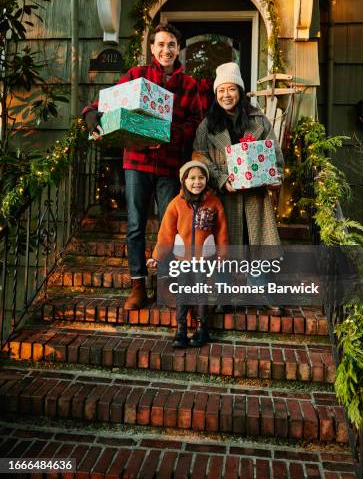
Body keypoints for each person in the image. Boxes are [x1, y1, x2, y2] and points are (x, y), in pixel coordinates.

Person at [83, 23, 202, 310]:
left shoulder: (190, 85)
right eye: (160, 44)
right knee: (135, 224)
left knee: (170, 227)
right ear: (152, 48)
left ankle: (165, 283)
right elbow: (104, 103)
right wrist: (91, 115)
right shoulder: (136, 76)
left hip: (171, 165)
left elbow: (195, 124)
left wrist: (167, 135)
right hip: (136, 162)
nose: (166, 50)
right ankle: (138, 284)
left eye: (171, 44)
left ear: (178, 49)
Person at [193, 61, 284, 249]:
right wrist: (221, 179)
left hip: (255, 200)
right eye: (221, 90)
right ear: (216, 94)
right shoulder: (207, 125)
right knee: (224, 258)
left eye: (231, 89)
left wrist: (276, 176)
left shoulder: (258, 120)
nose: (226, 95)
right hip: (223, 198)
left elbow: (274, 154)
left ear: (240, 92)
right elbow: (199, 156)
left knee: (258, 260)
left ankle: (257, 279)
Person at [148, 161, 228, 347]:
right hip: (182, 258)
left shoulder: (214, 203)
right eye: (192, 178)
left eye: (201, 177)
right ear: (184, 180)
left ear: (206, 180)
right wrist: (156, 257)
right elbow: (166, 234)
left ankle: (202, 330)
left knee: (201, 292)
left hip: (204, 258)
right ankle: (181, 330)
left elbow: (222, 232)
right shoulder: (176, 204)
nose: (196, 182)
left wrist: (222, 256)